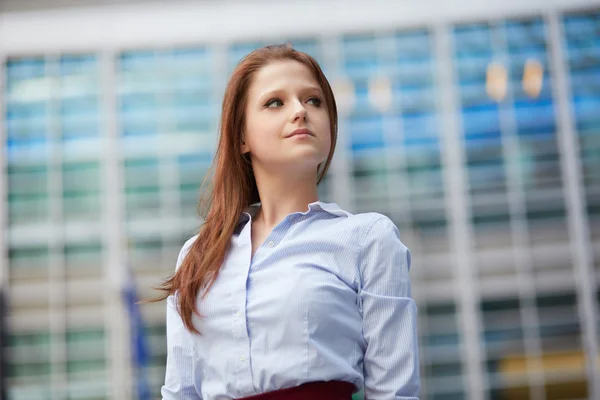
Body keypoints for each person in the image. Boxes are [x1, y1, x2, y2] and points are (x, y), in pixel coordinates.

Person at [156, 43, 420, 400]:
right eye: (275, 102)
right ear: (242, 137)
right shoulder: (197, 256)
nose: (300, 111)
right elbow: (180, 392)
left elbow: (395, 393)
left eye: (314, 100)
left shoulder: (367, 238)